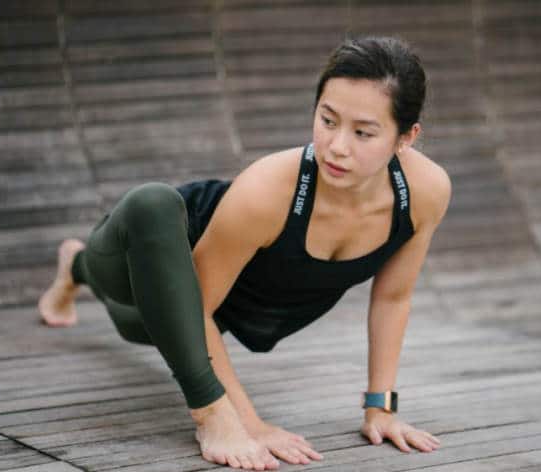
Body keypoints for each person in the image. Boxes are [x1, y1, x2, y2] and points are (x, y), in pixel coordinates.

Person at [38, 35, 450, 470]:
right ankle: (83, 264)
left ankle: (72, 268)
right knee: (150, 211)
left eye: (363, 132)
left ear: (406, 137)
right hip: (153, 251)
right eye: (327, 121)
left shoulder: (424, 193)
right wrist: (247, 422)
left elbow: (392, 298)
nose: (338, 146)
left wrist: (380, 407)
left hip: (215, 309)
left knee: (138, 327)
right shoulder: (269, 190)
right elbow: (194, 309)